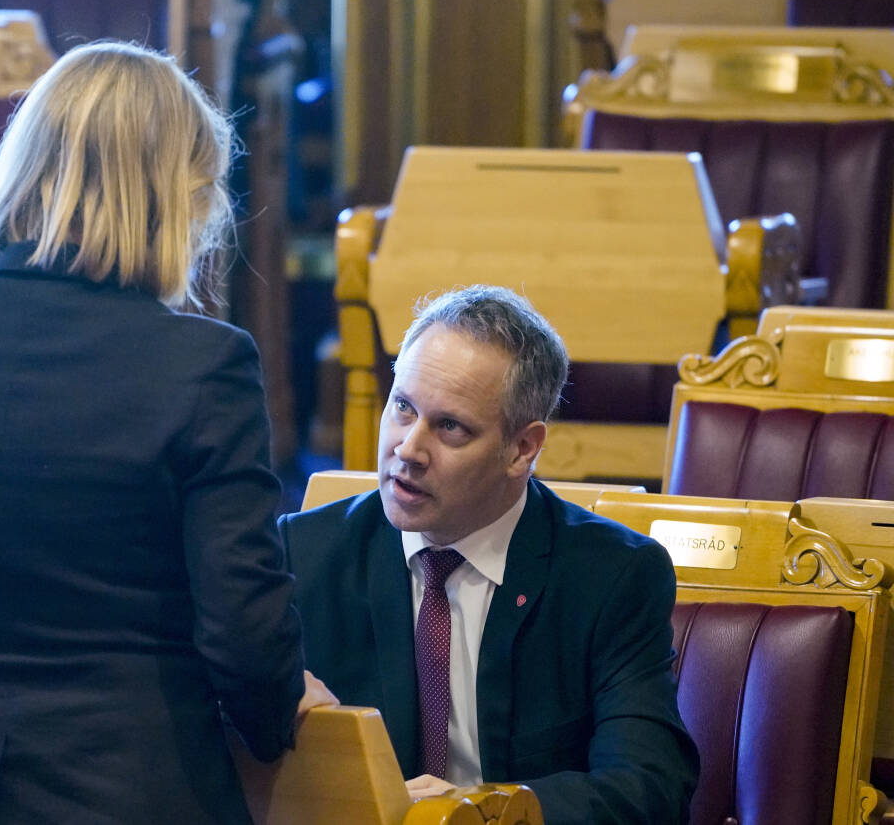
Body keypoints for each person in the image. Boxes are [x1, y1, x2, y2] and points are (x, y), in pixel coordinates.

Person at [0, 41, 334, 825]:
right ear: (174, 198)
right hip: (140, 788)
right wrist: (274, 728)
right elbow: (244, 633)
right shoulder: (204, 366)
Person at [280, 286, 699, 824]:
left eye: (450, 427)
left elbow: (649, 787)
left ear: (523, 448)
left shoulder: (612, 577)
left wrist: (480, 812)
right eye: (402, 407)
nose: (408, 449)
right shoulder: (302, 555)